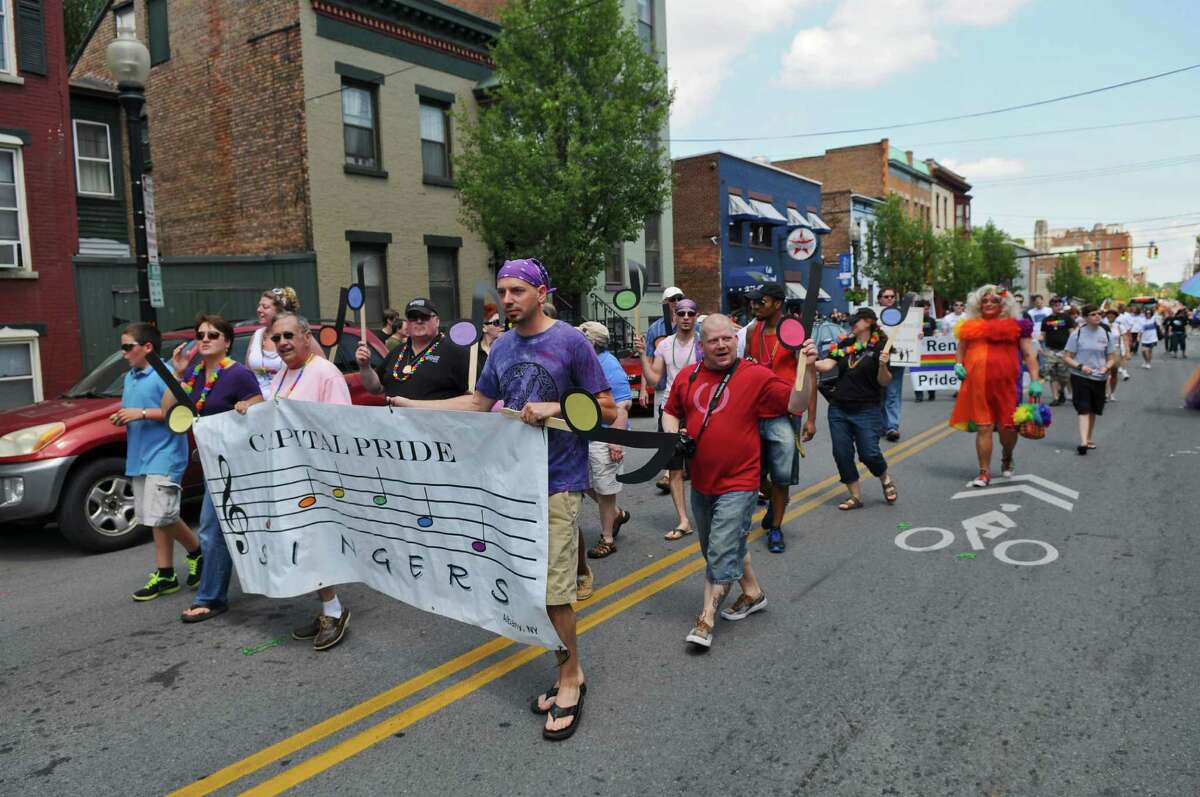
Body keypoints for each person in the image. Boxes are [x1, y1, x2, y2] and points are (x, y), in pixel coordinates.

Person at [392, 257, 616, 742]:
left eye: (517, 291)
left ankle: (570, 680)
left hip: (559, 479)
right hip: (512, 484)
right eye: (503, 291)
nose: (508, 300)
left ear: (541, 292)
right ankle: (567, 670)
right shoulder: (503, 347)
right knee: (533, 590)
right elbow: (477, 403)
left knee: (555, 594)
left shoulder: (571, 342)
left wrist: (553, 406)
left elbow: (606, 407)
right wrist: (414, 408)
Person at [661, 314, 816, 650]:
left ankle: (705, 619)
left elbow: (796, 403)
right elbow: (671, 409)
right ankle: (753, 592)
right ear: (702, 346)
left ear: (736, 339)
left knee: (719, 551)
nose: (721, 344)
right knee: (716, 547)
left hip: (741, 481)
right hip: (702, 481)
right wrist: (672, 434)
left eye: (728, 338)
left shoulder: (756, 376)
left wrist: (808, 369)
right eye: (714, 340)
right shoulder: (688, 377)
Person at [236, 313, 355, 649]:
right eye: (276, 338)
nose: (282, 343)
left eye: (289, 335)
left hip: (318, 476)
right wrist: (250, 409)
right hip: (289, 475)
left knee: (315, 544)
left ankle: (334, 611)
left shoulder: (325, 373)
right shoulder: (283, 375)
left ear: (306, 336)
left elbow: (340, 426)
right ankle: (327, 608)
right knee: (302, 545)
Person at [166, 315, 264, 623]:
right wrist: (177, 373)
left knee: (212, 529)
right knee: (218, 529)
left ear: (227, 342)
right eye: (200, 334)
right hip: (211, 463)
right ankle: (215, 594)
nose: (205, 338)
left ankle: (211, 596)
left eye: (213, 334)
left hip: (235, 464)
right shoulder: (194, 374)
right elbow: (170, 407)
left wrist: (247, 408)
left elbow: (260, 407)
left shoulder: (238, 375)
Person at [112, 323, 203, 601]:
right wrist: (123, 416)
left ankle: (199, 552)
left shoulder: (164, 373)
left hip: (165, 455)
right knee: (154, 517)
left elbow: (180, 412)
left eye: (128, 346)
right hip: (139, 456)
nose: (123, 352)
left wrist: (139, 413)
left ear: (147, 347)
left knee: (162, 514)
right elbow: (135, 410)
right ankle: (165, 574)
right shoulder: (130, 377)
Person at [741, 282, 818, 553]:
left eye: (759, 302)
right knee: (753, 473)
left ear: (776, 303)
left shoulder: (794, 331)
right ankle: (775, 501)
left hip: (785, 414)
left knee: (782, 476)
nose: (753, 306)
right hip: (754, 412)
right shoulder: (752, 330)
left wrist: (811, 418)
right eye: (752, 301)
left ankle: (775, 529)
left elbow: (810, 374)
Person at [949, 285, 1042, 487]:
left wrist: (1035, 380)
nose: (989, 304)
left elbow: (1028, 354)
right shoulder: (969, 325)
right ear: (978, 304)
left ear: (1004, 304)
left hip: (1008, 386)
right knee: (984, 427)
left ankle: (1007, 456)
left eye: (994, 301)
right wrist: (958, 365)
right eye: (985, 301)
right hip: (978, 386)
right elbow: (961, 349)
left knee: (1008, 428)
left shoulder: (1017, 325)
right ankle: (984, 472)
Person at [814, 308, 897, 509]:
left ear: (868, 322)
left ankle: (885, 478)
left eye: (856, 321)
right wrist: (807, 360)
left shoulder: (882, 347)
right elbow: (827, 365)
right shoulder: (845, 342)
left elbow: (884, 381)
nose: (852, 324)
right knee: (841, 453)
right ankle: (855, 496)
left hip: (867, 408)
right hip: (839, 408)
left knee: (869, 453)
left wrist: (883, 365)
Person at [635, 299, 701, 542]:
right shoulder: (664, 346)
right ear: (674, 316)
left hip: (698, 411)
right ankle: (683, 520)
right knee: (674, 467)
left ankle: (708, 512)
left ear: (696, 316)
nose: (685, 317)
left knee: (702, 464)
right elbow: (653, 380)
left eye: (690, 313)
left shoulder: (703, 345)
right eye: (680, 312)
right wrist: (643, 355)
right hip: (671, 411)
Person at [576, 322, 632, 560]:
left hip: (605, 435)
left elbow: (623, 405)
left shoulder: (610, 365)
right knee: (582, 483)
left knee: (605, 487)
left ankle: (607, 539)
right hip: (582, 435)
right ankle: (616, 514)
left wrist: (615, 440)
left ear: (593, 343)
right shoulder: (582, 363)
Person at [355, 297, 469, 402]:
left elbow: (472, 399)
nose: (419, 321)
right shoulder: (397, 351)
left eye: (425, 316)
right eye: (413, 317)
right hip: (395, 422)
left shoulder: (456, 352)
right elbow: (375, 388)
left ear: (437, 321)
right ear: (407, 323)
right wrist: (365, 366)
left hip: (435, 422)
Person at [641, 286, 685, 489]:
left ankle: (683, 466)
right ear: (664, 304)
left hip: (686, 386)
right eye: (672, 299)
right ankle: (669, 472)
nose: (676, 302)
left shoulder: (690, 325)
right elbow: (648, 360)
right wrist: (643, 389)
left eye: (679, 298)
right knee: (665, 430)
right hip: (662, 387)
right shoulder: (655, 329)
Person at [1062, 305, 1117, 456]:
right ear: (1085, 317)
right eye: (1093, 314)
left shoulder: (1106, 334)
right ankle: (1083, 442)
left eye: (1099, 314)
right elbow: (1066, 357)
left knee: (1093, 409)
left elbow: (1112, 358)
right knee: (1083, 408)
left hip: (1099, 377)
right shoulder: (1077, 334)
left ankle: (1088, 437)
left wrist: (1107, 367)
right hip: (1080, 376)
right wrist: (1080, 366)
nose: (1097, 316)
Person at [246, 287, 300, 396]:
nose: (259, 310)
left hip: (286, 403)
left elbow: (316, 366)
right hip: (258, 405)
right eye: (259, 305)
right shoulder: (257, 335)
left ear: (279, 311)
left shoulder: (296, 335)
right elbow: (248, 373)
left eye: (265, 307)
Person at [876, 287, 905, 441]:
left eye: (892, 296)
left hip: (898, 360)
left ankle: (892, 426)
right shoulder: (873, 316)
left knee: (893, 393)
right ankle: (881, 425)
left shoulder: (906, 316)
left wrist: (917, 336)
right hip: (878, 361)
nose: (889, 299)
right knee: (879, 394)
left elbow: (911, 335)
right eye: (886, 296)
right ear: (879, 299)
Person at [1040, 297, 1075, 406]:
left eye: (1059, 303)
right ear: (1051, 306)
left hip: (1064, 350)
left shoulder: (1067, 318)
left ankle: (1061, 391)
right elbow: (1042, 335)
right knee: (1053, 374)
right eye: (1054, 304)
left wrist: (1072, 349)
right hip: (1051, 350)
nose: (1057, 305)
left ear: (1061, 305)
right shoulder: (1046, 320)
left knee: (1065, 376)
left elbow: (1072, 333)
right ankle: (1056, 397)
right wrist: (1036, 342)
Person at [914, 300, 937, 402]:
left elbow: (935, 332)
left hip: (929, 351)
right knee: (917, 372)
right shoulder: (913, 320)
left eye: (927, 309)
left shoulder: (931, 320)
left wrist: (936, 336)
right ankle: (919, 394)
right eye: (924, 308)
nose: (926, 311)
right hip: (917, 351)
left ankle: (931, 392)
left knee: (931, 371)